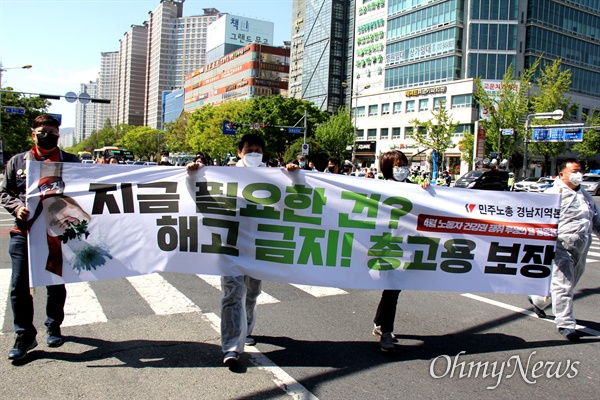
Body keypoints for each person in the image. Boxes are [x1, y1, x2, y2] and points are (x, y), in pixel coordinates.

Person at [188, 134, 296, 365]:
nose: (254, 153)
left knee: (252, 293)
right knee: (232, 294)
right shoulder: (225, 176)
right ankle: (231, 347)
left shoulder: (274, 177)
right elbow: (200, 195)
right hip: (230, 245)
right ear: (239, 152)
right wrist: (193, 174)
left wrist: (295, 175)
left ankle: (245, 328)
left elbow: (295, 198)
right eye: (249, 150)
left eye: (258, 149)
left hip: (259, 246)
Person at [0, 114, 80, 360]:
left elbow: (98, 186)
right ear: (33, 134)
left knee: (56, 281)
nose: (47, 136)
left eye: (52, 133)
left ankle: (54, 324)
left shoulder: (72, 161)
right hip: (24, 232)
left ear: (58, 135)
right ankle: (24, 334)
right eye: (42, 131)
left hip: (58, 232)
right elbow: (4, 192)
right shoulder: (18, 162)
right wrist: (17, 207)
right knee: (19, 286)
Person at [528, 159, 600, 341]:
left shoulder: (585, 195)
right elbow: (536, 218)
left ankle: (537, 300)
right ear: (562, 175)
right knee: (564, 284)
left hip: (582, 244)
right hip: (559, 245)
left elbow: (595, 220)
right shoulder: (552, 193)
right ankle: (566, 324)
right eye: (575, 171)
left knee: (571, 281)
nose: (579, 175)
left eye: (580, 171)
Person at [372, 150, 429, 352]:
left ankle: (381, 325)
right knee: (391, 289)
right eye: (397, 165)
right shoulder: (376, 188)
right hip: (384, 244)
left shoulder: (414, 189)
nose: (402, 168)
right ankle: (385, 332)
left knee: (392, 289)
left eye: (404, 164)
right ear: (388, 167)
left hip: (405, 245)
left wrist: (426, 190)